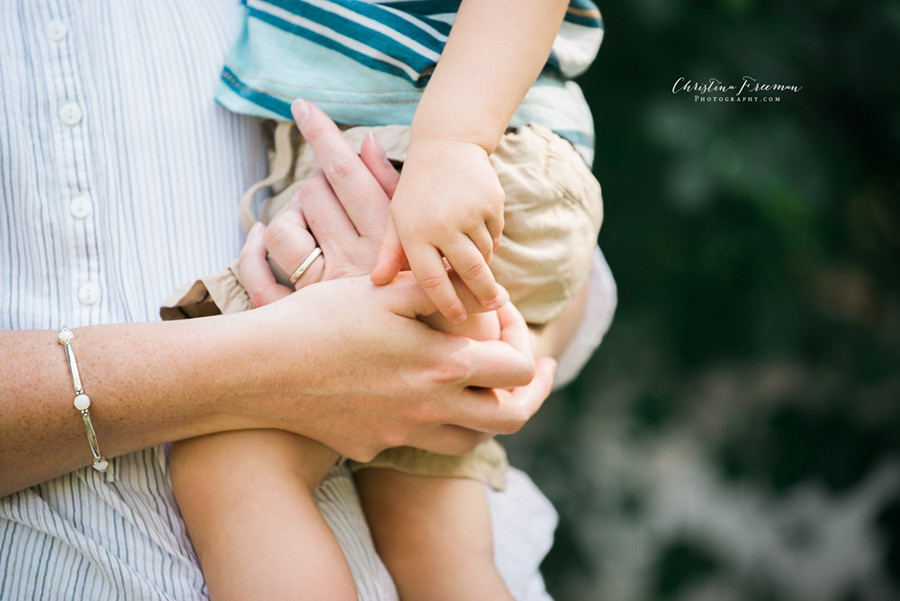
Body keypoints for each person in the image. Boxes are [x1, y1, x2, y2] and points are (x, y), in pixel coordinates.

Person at [0, 2, 614, 600]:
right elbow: (569, 269)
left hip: (424, 153)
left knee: (233, 471)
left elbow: (572, 280)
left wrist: (452, 144)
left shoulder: (448, 141)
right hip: (449, 159)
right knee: (431, 541)